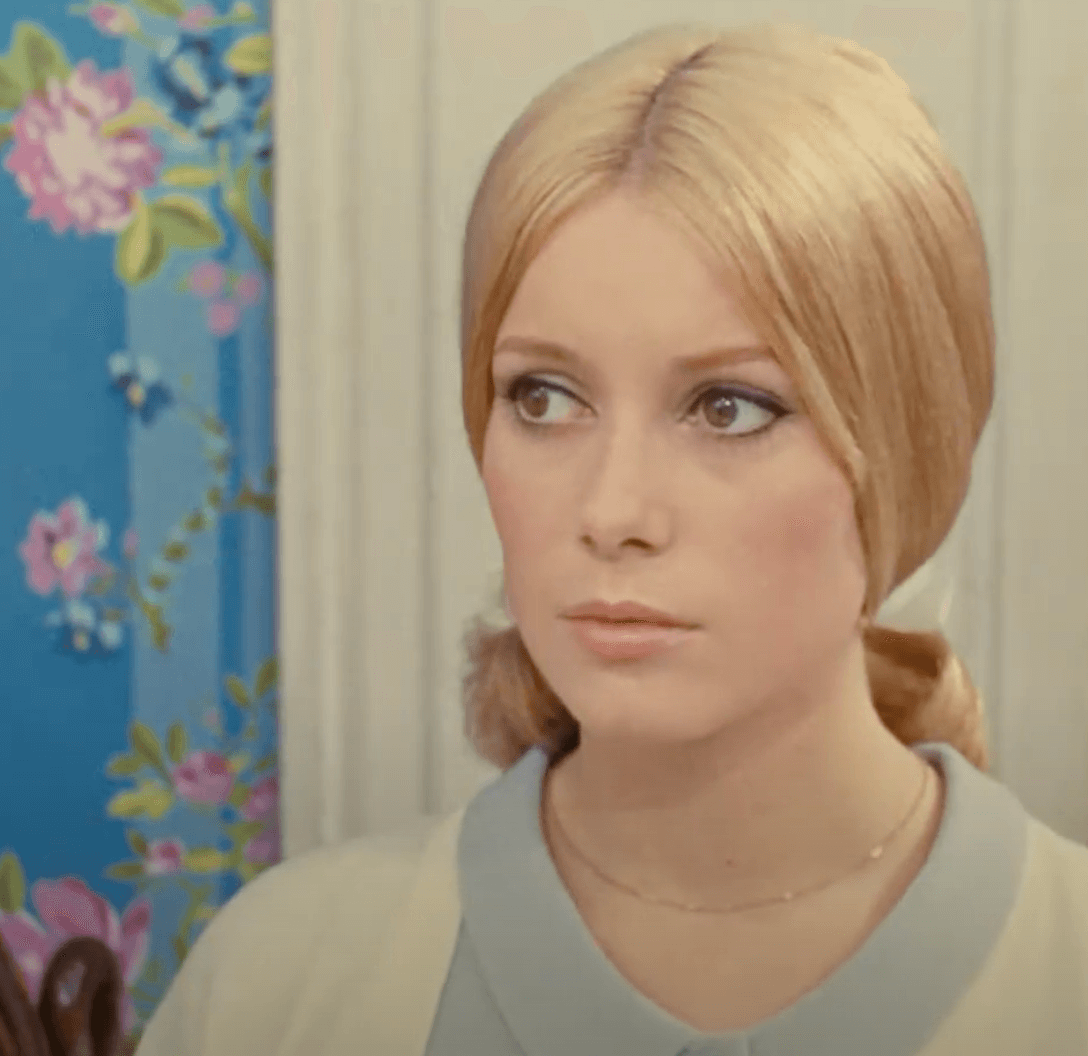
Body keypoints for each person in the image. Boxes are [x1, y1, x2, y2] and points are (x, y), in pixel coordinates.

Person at [134, 19, 1088, 1056]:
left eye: (728, 408)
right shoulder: (277, 991)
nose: (612, 510)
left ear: (907, 443)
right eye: (543, 397)